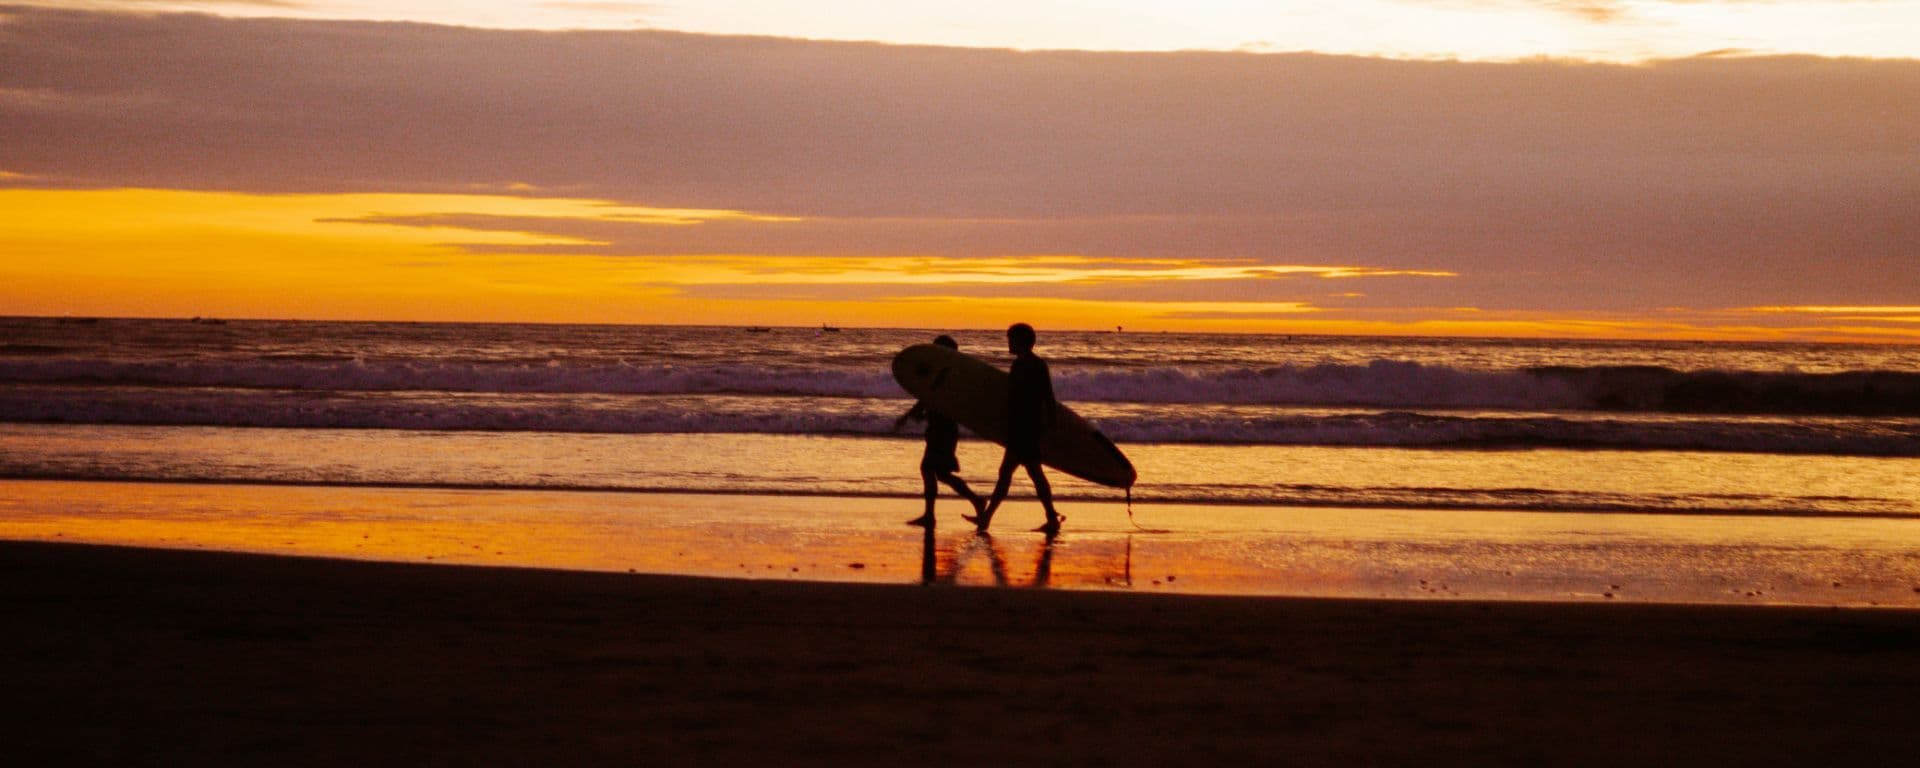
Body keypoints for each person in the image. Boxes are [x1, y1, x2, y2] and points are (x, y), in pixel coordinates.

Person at [965, 322, 1063, 535]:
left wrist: (1051, 425)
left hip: (1025, 427)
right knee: (1025, 473)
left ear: (1020, 341)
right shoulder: (1025, 364)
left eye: (1010, 339)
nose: (1008, 343)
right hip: (1023, 426)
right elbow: (1019, 396)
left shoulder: (1031, 365)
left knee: (1020, 473)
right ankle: (1049, 517)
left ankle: (987, 518)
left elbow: (1044, 396)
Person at [895, 335, 987, 526]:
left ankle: (931, 516)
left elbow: (930, 398)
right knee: (942, 474)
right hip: (941, 429)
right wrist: (914, 415)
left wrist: (911, 415)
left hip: (943, 431)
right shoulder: (948, 373)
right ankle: (975, 501)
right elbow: (928, 399)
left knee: (929, 469)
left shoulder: (946, 374)